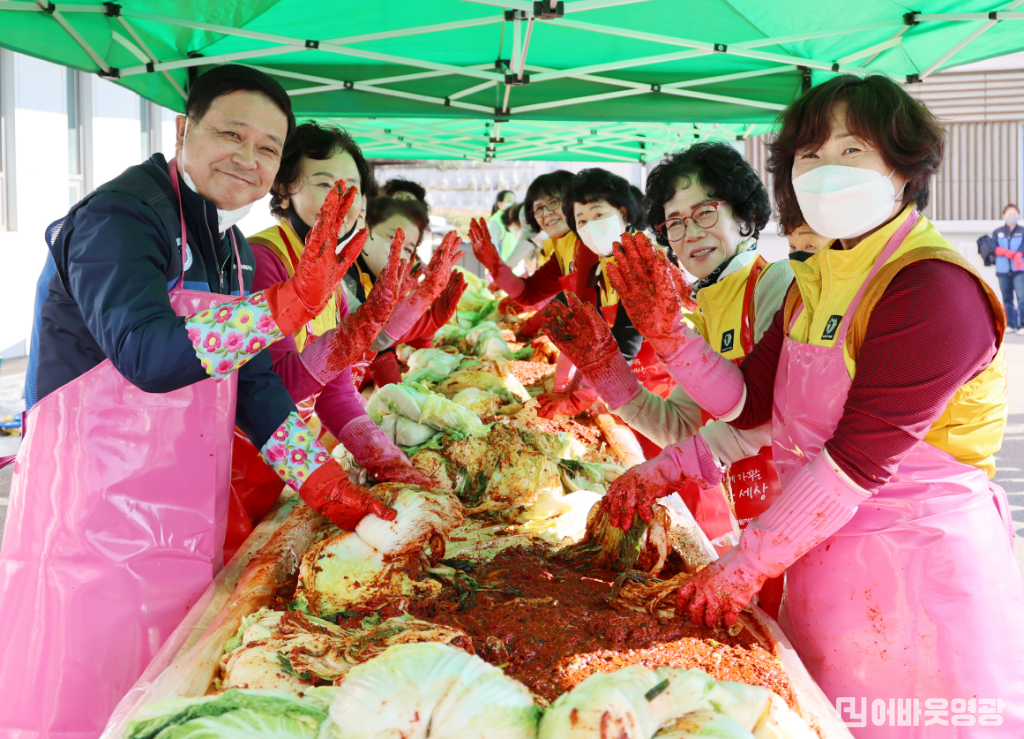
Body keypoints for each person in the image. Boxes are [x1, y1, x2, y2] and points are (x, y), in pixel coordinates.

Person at [603, 74, 1024, 737]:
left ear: (904, 167)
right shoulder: (815, 282)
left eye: (852, 150)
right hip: (821, 563)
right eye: (809, 155)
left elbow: (856, 460)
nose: (827, 171)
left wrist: (744, 562)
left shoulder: (933, 287)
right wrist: (670, 335)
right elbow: (748, 405)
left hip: (921, 578)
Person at [0, 65, 406, 739]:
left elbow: (257, 387)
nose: (247, 158)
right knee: (80, 710)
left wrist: (326, 485)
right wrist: (283, 306)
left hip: (183, 526)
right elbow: (149, 355)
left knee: (167, 709)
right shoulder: (119, 218)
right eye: (231, 134)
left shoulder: (226, 246)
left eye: (267, 148)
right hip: (89, 534)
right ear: (183, 129)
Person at [541, 145, 793, 584]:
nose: (690, 233)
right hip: (753, 521)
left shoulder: (778, 284)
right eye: (674, 222)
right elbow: (680, 426)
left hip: (804, 520)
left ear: (745, 216)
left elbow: (767, 419)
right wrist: (606, 371)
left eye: (705, 213)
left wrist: (667, 467)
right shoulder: (706, 309)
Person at [232, 123, 435, 558]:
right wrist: (345, 341)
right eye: (324, 183)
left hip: (288, 464)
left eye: (352, 188)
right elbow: (268, 391)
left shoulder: (334, 278)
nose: (341, 197)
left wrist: (388, 462)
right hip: (238, 468)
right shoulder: (263, 259)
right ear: (284, 189)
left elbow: (336, 394)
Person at [346, 195, 466, 387]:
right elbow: (371, 339)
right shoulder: (345, 279)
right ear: (366, 228)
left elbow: (383, 346)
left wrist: (429, 322)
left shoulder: (375, 282)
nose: (399, 251)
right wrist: (425, 307)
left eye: (408, 249)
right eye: (393, 238)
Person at [993, 202, 1024, 334]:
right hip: (1003, 270)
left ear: (1018, 215)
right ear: (1004, 215)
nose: (1012, 216)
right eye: (1009, 214)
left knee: (1022, 297)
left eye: (1014, 214)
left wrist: (1018, 254)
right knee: (1007, 298)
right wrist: (1005, 252)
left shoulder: (1022, 231)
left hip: (1019, 270)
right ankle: (1011, 324)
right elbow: (993, 247)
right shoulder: (998, 232)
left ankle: (1022, 325)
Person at [486, 189, 518, 260]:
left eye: (514, 201)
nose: (513, 204)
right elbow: (492, 249)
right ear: (500, 204)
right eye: (509, 201)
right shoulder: (495, 222)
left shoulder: (514, 219)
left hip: (517, 266)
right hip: (502, 266)